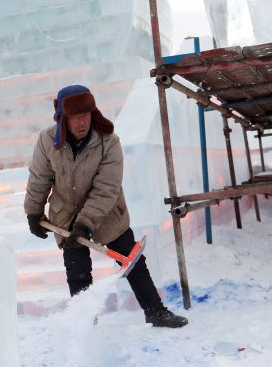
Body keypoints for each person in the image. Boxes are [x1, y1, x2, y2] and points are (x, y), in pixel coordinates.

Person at [24, 84, 188, 328]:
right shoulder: (47, 141)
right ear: (62, 119)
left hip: (108, 214)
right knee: (77, 272)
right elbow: (39, 178)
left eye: (85, 115)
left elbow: (106, 188)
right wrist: (33, 212)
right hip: (66, 217)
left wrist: (86, 223)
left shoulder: (108, 142)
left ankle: (155, 311)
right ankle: (85, 324)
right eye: (75, 117)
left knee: (131, 260)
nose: (81, 122)